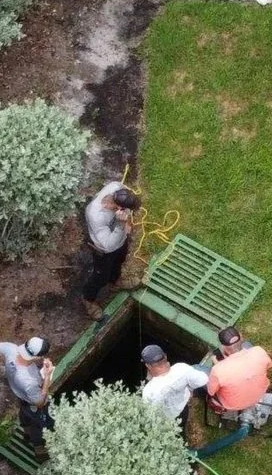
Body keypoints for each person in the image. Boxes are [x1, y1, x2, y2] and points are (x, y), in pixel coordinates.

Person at [0, 336, 55, 456]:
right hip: (32, 402)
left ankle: (26, 434)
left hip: (20, 395)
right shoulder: (28, 381)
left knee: (24, 413)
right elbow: (39, 403)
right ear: (37, 357)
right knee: (39, 424)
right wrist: (47, 377)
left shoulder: (11, 349)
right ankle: (39, 449)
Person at [82, 182, 142, 320]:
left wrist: (127, 222)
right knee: (100, 276)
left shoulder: (116, 187)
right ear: (118, 207)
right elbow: (108, 245)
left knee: (119, 260)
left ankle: (116, 281)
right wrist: (121, 226)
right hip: (103, 249)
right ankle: (88, 299)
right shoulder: (95, 215)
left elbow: (126, 202)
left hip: (119, 240)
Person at [140, 344, 209, 427]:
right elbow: (203, 379)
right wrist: (190, 388)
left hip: (167, 420)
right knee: (182, 424)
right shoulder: (181, 368)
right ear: (165, 356)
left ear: (148, 365)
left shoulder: (148, 391)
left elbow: (150, 412)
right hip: (182, 409)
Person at [207, 345, 272, 413]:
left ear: (225, 348)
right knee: (247, 344)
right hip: (260, 393)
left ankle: (218, 407)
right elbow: (268, 366)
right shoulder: (258, 351)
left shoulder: (217, 370)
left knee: (201, 370)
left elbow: (211, 392)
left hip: (235, 405)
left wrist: (218, 364)